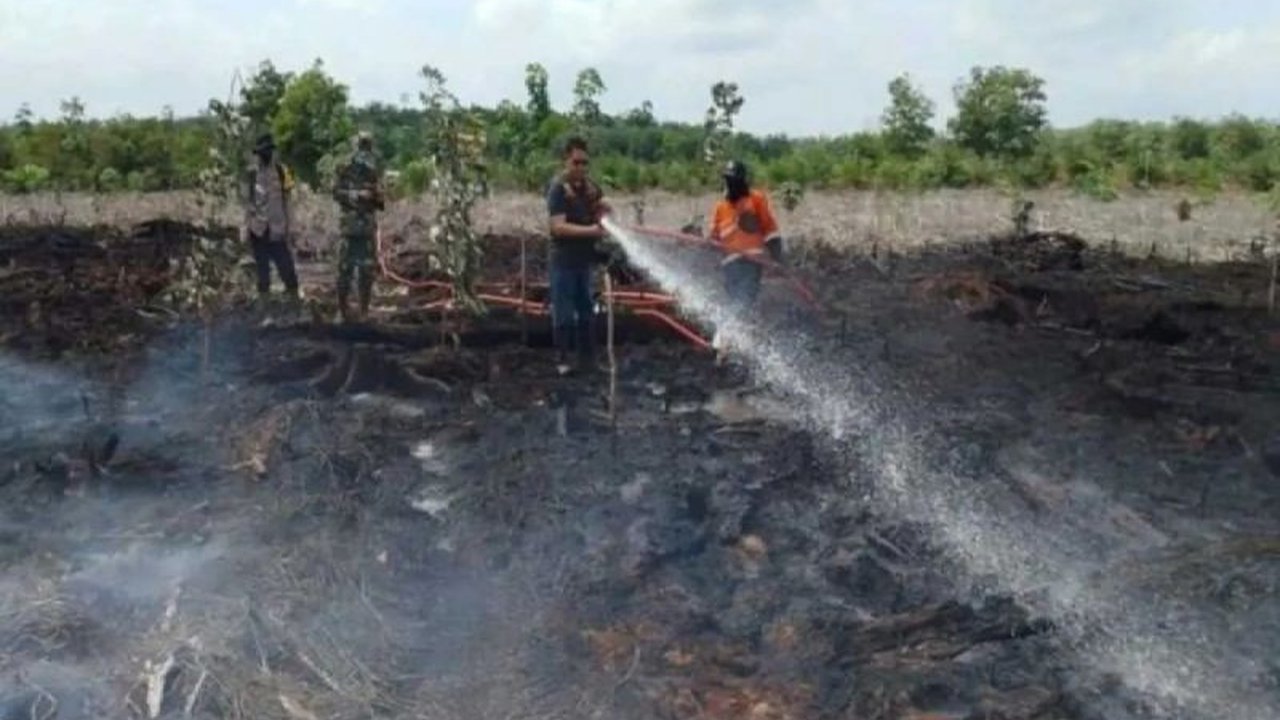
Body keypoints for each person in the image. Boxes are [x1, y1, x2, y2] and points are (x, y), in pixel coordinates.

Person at [546, 136, 612, 375]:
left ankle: (588, 361)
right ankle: (563, 361)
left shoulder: (590, 187)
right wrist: (591, 231)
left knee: (586, 311)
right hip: (563, 260)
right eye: (576, 162)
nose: (581, 168)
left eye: (585, 163)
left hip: (584, 261)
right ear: (566, 161)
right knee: (563, 313)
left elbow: (602, 204)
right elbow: (558, 227)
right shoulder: (558, 189)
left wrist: (605, 211)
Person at [706, 159, 783, 361]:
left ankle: (722, 344)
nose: (730, 185)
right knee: (736, 303)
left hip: (750, 264)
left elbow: (770, 230)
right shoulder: (721, 207)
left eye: (734, 180)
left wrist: (778, 258)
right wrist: (704, 243)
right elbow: (714, 238)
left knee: (742, 302)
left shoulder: (756, 200)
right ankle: (727, 343)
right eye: (728, 180)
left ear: (742, 181)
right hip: (730, 267)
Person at [242, 133, 300, 314]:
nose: (264, 155)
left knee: (286, 266)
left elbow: (289, 202)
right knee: (262, 269)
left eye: (267, 151)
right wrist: (245, 228)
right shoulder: (251, 174)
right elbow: (247, 203)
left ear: (272, 152)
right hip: (258, 229)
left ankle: (294, 300)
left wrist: (292, 228)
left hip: (277, 228)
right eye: (262, 152)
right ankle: (263, 304)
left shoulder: (283, 172)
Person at [332, 130, 385, 322]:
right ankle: (342, 310)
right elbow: (336, 193)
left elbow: (381, 202)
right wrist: (356, 195)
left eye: (367, 145)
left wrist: (375, 195)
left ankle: (364, 311)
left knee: (366, 271)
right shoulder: (344, 168)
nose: (364, 149)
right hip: (349, 227)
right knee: (344, 269)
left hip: (367, 227)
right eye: (362, 145)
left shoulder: (374, 170)